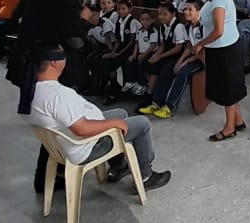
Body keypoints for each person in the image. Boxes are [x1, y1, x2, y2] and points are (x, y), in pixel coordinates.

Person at [25, 46, 171, 192]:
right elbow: (81, 128)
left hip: (65, 141)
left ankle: (118, 165)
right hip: (86, 145)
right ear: (53, 63)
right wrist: (113, 123)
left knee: (120, 113)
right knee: (142, 124)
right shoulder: (57, 95)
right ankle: (146, 175)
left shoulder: (33, 89)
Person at [9, 0, 95, 193]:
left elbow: (18, 15)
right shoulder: (65, 4)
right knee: (57, 121)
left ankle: (48, 174)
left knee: (46, 120)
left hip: (26, 61)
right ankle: (52, 173)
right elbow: (75, 40)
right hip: (51, 66)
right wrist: (84, 19)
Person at [192, 0, 245, 142]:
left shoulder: (220, 0)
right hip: (219, 48)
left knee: (227, 89)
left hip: (225, 50)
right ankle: (237, 120)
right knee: (228, 87)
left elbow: (218, 31)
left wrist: (200, 43)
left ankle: (229, 128)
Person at [141, 0, 206, 119]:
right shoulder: (188, 27)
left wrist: (186, 61)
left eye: (190, 9)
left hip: (202, 59)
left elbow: (204, 51)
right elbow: (188, 46)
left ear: (199, 12)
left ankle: (170, 107)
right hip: (191, 56)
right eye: (185, 9)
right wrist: (181, 60)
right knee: (168, 69)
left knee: (183, 72)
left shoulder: (204, 27)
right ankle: (157, 103)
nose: (186, 11)